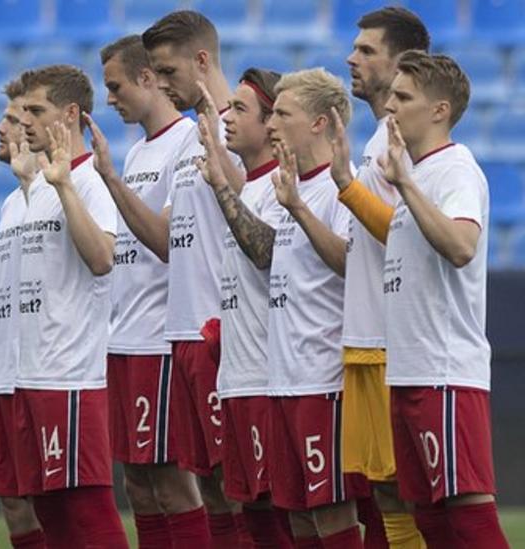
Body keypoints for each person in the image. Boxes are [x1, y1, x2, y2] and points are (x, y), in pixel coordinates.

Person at [378, 50, 509, 549]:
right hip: (410, 370)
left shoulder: (454, 169)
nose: (391, 106)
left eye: (404, 96)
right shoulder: (415, 173)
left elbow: (460, 246)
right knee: (429, 515)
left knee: (467, 509)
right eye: (392, 94)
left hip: (445, 371)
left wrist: (406, 186)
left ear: (439, 110)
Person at [85, 33, 198, 548]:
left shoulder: (189, 142)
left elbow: (165, 241)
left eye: (115, 86)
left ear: (147, 78)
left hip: (161, 339)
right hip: (124, 339)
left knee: (173, 483)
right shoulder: (137, 153)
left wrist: (110, 180)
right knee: (138, 485)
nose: (109, 98)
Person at [142, 10, 249, 546]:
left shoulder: (245, 126)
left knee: (238, 486)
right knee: (208, 486)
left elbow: (259, 210)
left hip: (223, 334)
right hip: (181, 333)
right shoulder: (186, 139)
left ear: (202, 60)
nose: (160, 85)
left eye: (167, 72)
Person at [11, 64, 127, 548]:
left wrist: (63, 187)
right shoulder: (38, 185)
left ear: (72, 113)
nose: (26, 122)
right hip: (33, 373)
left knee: (87, 508)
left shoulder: (87, 183)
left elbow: (102, 258)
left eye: (37, 110)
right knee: (50, 511)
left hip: (71, 376)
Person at [333, 8, 433, 547]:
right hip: (364, 338)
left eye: (367, 50)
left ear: (402, 63)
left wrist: (348, 186)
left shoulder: (405, 141)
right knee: (386, 498)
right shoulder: (377, 136)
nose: (352, 57)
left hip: (394, 344)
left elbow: (405, 233)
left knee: (411, 497)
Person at [264, 68, 367, 547]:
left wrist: (300, 211)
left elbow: (353, 263)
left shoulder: (342, 187)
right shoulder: (291, 187)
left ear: (321, 122)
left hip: (323, 380)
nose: (271, 125)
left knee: (331, 511)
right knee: (298, 515)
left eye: (282, 114)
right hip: (284, 378)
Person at [196, 67, 298, 548]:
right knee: (251, 511)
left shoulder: (285, 184)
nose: (227, 118)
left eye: (240, 109)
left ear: (271, 121)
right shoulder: (251, 186)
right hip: (237, 376)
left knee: (283, 512)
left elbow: (265, 252)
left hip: (269, 376)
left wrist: (220, 185)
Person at [0, 77, 46, 549]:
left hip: (45, 374)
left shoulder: (59, 191)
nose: (0, 128)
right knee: (14, 503)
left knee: (52, 501)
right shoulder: (10, 203)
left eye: (11, 119)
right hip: (6, 374)